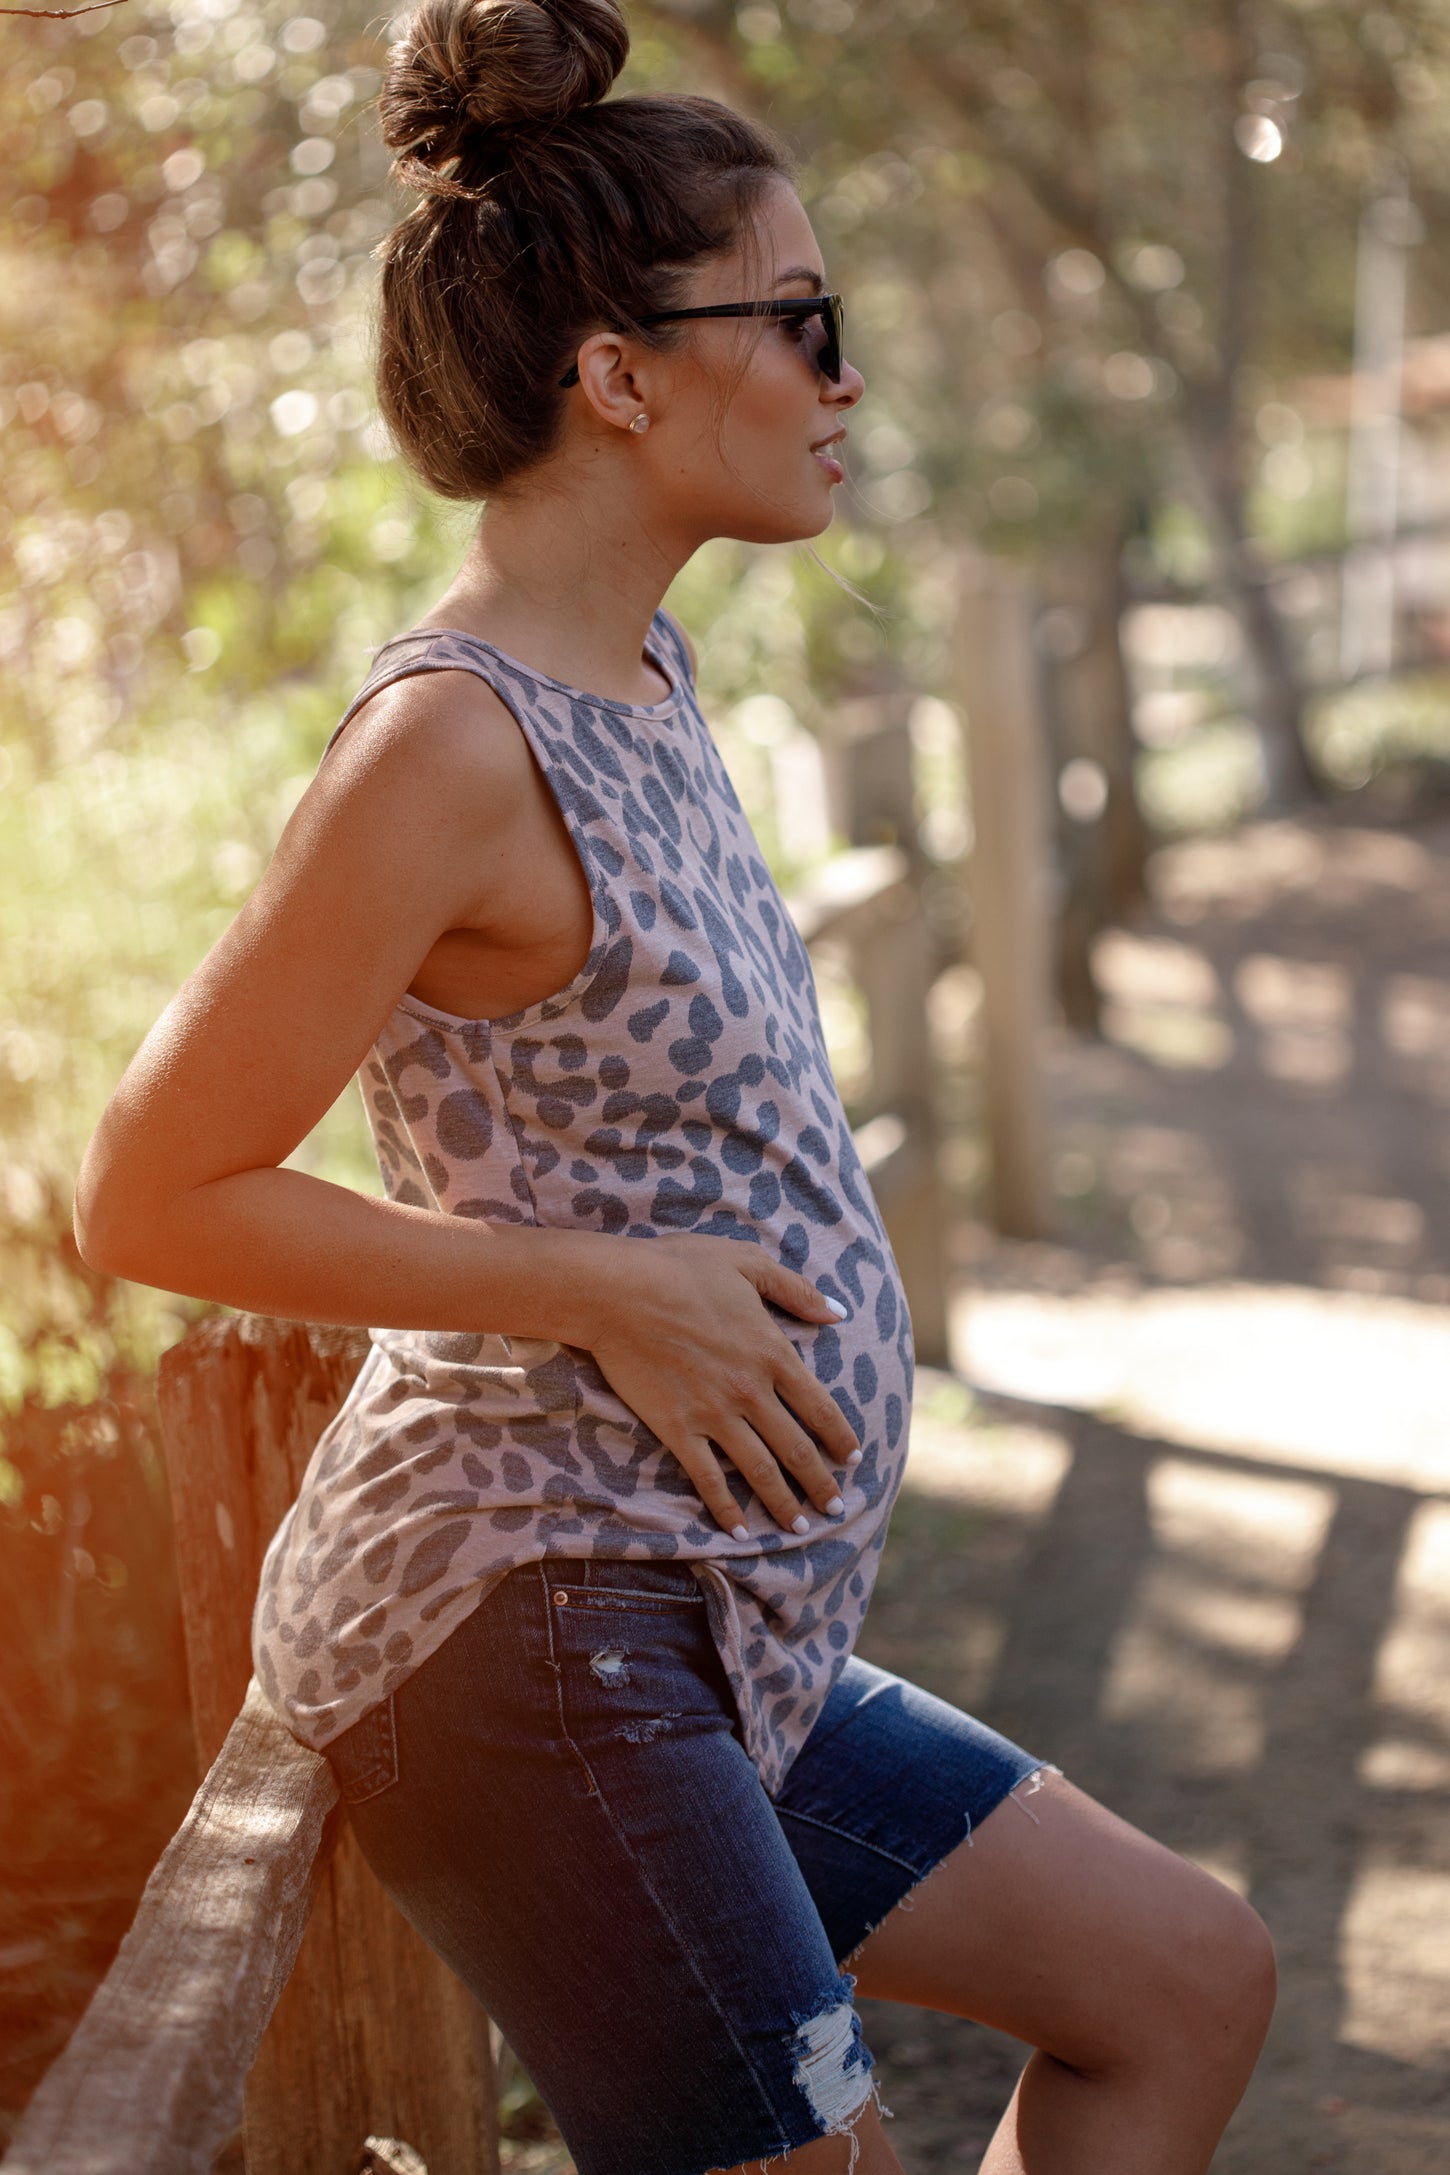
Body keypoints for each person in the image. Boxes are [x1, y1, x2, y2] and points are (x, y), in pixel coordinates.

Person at [74, 2, 1276, 2169]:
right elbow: (152, 1191)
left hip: (711, 1621)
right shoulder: (447, 745)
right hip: (525, 1621)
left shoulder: (642, 669)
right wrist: (600, 1290)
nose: (841, 378)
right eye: (799, 320)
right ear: (616, 379)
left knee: (1181, 1977)